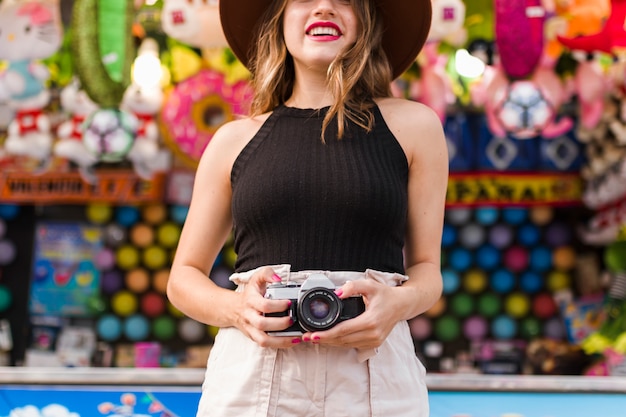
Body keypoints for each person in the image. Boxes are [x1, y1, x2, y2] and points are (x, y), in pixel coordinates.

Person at [167, 0, 448, 416]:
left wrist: (397, 304)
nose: (324, 7)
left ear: (366, 21)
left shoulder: (415, 127)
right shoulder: (232, 140)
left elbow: (427, 270)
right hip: (254, 378)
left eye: (345, 0)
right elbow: (182, 279)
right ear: (279, 20)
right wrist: (236, 308)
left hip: (372, 377)